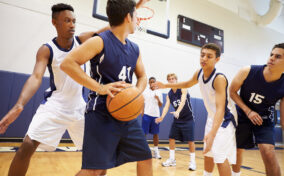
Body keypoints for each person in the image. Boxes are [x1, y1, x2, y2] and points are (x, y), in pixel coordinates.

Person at [0, 3, 119, 175]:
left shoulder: (82, 41)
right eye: (67, 21)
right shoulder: (47, 49)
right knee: (26, 146)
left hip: (79, 109)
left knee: (100, 159)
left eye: (74, 21)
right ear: (54, 22)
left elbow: (111, 28)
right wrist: (19, 105)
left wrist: (133, 7)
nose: (72, 24)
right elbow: (35, 77)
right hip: (54, 107)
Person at [60, 0, 152, 176]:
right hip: (101, 112)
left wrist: (137, 93)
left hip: (127, 114)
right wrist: (100, 88)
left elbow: (142, 76)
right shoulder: (100, 41)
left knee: (145, 157)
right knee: (95, 170)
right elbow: (68, 63)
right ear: (128, 17)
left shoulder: (135, 49)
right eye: (136, 16)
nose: (137, 20)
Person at [155, 43, 237, 176]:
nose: (204, 58)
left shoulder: (219, 79)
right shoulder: (199, 73)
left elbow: (221, 109)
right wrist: (166, 85)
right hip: (212, 117)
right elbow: (187, 83)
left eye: (209, 56)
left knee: (220, 157)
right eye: (202, 55)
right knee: (208, 152)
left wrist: (212, 133)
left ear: (217, 59)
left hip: (225, 119)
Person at [230, 43, 284, 176]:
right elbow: (231, 91)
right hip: (243, 113)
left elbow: (283, 119)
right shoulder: (247, 71)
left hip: (264, 117)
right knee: (238, 149)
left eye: (278, 56)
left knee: (268, 151)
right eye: (271, 54)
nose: (271, 58)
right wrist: (248, 111)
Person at [155, 73, 196, 170]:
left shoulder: (183, 87)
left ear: (176, 80)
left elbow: (183, 101)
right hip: (177, 120)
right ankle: (172, 159)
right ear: (168, 81)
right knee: (171, 138)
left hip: (188, 119)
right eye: (169, 79)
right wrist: (162, 117)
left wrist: (177, 111)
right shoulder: (169, 94)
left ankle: (193, 162)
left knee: (190, 141)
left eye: (173, 78)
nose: (171, 80)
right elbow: (166, 106)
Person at [141, 77, 163, 159]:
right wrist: (142, 112)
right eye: (151, 82)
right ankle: (142, 150)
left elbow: (161, 105)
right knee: (144, 133)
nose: (152, 83)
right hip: (146, 114)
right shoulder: (145, 92)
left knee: (156, 133)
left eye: (154, 82)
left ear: (155, 82)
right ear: (149, 83)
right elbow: (142, 103)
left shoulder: (159, 92)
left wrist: (158, 99)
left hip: (156, 116)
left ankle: (156, 151)